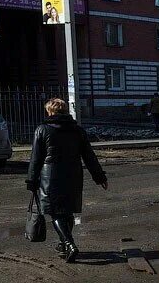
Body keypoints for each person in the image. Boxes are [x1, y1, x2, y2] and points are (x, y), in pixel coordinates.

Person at [26, 98, 108, 262]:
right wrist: (99, 176)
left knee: (56, 212)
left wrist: (31, 180)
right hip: (73, 174)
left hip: (51, 176)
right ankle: (64, 245)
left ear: (50, 111)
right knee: (67, 211)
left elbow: (36, 158)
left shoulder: (42, 130)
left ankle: (69, 244)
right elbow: (89, 156)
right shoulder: (77, 130)